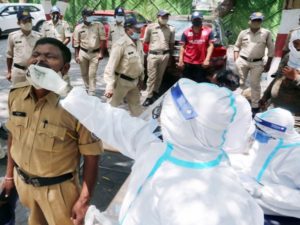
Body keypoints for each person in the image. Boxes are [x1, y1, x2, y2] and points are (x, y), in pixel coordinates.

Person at [26, 68, 264, 224]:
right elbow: (112, 121)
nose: (159, 113)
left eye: (168, 111)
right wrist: (64, 90)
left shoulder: (209, 201)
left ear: (185, 123)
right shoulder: (162, 147)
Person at [2, 37, 103, 225]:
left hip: (59, 193)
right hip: (23, 184)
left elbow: (92, 156)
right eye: (36, 54)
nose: (40, 60)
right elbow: (13, 136)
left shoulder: (77, 105)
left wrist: (83, 201)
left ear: (64, 69)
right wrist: (9, 176)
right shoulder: (16, 94)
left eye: (49, 57)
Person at [231, 108, 300, 225]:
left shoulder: (295, 155)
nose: (255, 134)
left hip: (280, 212)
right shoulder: (269, 141)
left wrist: (262, 191)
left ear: (276, 133)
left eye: (260, 131)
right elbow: (253, 164)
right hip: (254, 200)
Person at [234, 12, 275, 116]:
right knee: (240, 82)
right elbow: (236, 46)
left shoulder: (266, 33)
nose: (256, 22)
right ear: (250, 21)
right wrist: (236, 60)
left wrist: (269, 63)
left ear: (261, 21)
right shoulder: (243, 33)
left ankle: (254, 107)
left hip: (258, 63)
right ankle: (239, 102)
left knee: (255, 84)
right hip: (242, 61)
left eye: (259, 20)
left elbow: (271, 48)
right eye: (255, 20)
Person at [259, 29, 300, 130]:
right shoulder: (289, 56)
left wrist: (296, 78)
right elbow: (278, 78)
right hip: (275, 109)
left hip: (295, 118)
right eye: (295, 43)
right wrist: (265, 96)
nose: (298, 48)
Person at [103, 18, 144, 117]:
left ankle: (141, 129)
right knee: (111, 108)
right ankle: (103, 129)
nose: (139, 31)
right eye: (136, 28)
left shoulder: (139, 42)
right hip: (121, 82)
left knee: (137, 108)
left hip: (135, 82)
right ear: (128, 29)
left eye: (140, 28)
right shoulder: (120, 44)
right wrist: (109, 87)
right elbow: (110, 67)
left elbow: (140, 63)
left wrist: (141, 79)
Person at [142, 9, 175, 107]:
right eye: (163, 17)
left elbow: (171, 44)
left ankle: (155, 93)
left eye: (167, 17)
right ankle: (148, 96)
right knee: (151, 77)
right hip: (153, 55)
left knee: (160, 76)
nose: (165, 19)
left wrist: (170, 57)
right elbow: (146, 41)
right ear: (158, 17)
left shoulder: (171, 29)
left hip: (165, 55)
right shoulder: (151, 27)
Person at [73, 8, 106, 95]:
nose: (91, 17)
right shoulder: (78, 28)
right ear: (83, 16)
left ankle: (92, 91)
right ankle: (87, 88)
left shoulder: (98, 25)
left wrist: (101, 53)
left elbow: (103, 39)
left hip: (95, 53)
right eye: (89, 15)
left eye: (92, 15)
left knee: (92, 74)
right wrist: (76, 55)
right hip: (83, 53)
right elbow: (76, 43)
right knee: (84, 73)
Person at [6, 9, 42, 85]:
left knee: (35, 95)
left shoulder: (39, 37)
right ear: (18, 23)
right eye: (25, 21)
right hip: (18, 72)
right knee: (17, 95)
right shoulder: (13, 36)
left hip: (34, 71)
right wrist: (9, 72)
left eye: (29, 20)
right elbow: (9, 56)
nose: (28, 23)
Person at [178, 11, 214, 83]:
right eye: (195, 20)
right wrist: (180, 60)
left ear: (202, 20)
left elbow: (211, 46)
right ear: (192, 20)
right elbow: (182, 47)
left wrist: (207, 60)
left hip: (201, 64)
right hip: (188, 62)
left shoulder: (209, 31)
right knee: (186, 82)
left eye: (199, 19)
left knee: (200, 83)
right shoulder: (186, 32)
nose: (197, 21)